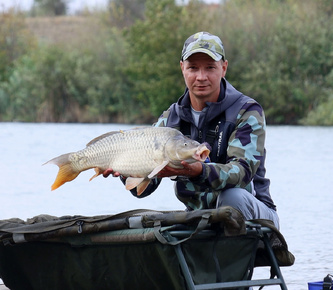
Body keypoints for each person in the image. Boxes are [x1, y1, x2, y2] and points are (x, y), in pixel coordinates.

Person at [104, 32, 279, 228]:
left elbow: (241, 173)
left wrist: (199, 171)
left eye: (210, 68)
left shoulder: (247, 111)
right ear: (182, 69)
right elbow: (144, 189)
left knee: (233, 197)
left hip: (256, 216)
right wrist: (126, 169)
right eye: (193, 68)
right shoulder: (171, 118)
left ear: (224, 68)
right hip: (200, 218)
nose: (201, 77)